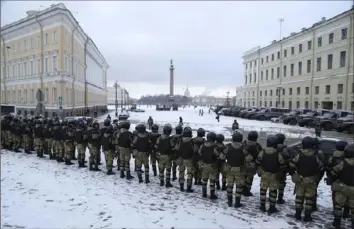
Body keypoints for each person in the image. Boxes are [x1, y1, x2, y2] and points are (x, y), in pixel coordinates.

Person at [331, 143, 354, 229]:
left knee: (338, 206)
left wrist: (337, 179)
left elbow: (333, 172)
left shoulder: (342, 163)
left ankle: (337, 224)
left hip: (342, 187)